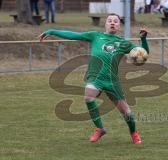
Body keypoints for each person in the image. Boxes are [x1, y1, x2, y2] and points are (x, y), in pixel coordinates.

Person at [39, 13, 149, 144]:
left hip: (112, 81)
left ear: (119, 25)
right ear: (106, 24)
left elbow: (143, 54)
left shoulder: (123, 43)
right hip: (96, 78)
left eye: (115, 21)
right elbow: (74, 35)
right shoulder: (95, 36)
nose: (112, 23)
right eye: (110, 21)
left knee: (126, 112)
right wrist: (52, 31)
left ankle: (134, 133)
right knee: (88, 96)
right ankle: (100, 128)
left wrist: (143, 40)